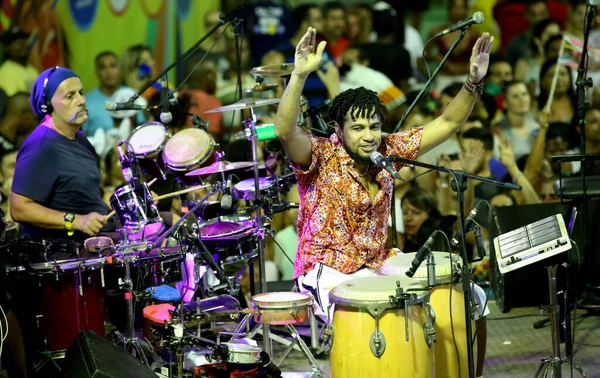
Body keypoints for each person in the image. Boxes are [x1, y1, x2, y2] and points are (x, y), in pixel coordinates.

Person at [275, 25, 493, 327]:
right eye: (358, 128)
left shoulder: (389, 148)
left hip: (379, 263)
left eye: (374, 127)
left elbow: (448, 122)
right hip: (326, 270)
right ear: (339, 130)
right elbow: (285, 131)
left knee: (468, 295)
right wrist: (299, 76)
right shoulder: (320, 154)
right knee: (370, 319)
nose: (369, 136)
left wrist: (472, 82)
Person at [10, 67, 110, 240]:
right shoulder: (41, 145)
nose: (81, 101)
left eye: (81, 92)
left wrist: (134, 199)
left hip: (98, 238)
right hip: (64, 254)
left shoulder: (80, 139)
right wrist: (76, 221)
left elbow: (92, 192)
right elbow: (19, 208)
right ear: (48, 105)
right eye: (70, 96)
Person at [82, 51, 123, 136]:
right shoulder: (85, 102)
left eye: (113, 66)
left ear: (120, 69)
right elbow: (82, 137)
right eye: (103, 67)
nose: (109, 72)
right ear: (97, 72)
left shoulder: (131, 96)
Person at [0, 28, 39, 96]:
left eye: (25, 40)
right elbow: (13, 102)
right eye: (17, 41)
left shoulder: (32, 70)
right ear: (7, 48)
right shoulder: (6, 71)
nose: (23, 43)